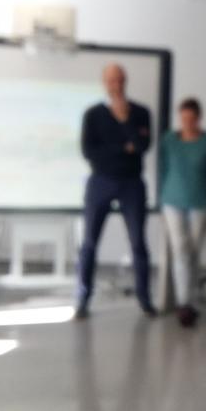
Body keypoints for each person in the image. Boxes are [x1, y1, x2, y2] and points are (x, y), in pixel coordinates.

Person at [75, 63, 155, 320]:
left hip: (132, 183)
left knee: (138, 243)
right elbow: (89, 151)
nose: (116, 85)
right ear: (105, 83)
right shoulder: (93, 114)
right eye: (112, 81)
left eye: (120, 80)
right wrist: (123, 148)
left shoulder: (140, 112)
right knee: (89, 243)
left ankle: (144, 299)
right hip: (101, 182)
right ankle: (83, 298)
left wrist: (124, 120)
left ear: (125, 81)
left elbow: (142, 145)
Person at [157, 98, 206, 328]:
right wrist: (159, 198)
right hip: (172, 200)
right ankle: (183, 303)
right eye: (184, 118)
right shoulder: (169, 141)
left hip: (202, 202)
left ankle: (192, 299)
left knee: (193, 250)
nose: (187, 123)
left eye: (192, 119)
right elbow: (162, 170)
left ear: (198, 118)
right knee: (180, 249)